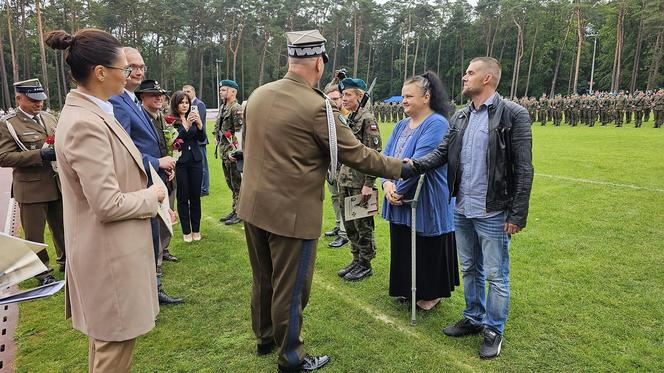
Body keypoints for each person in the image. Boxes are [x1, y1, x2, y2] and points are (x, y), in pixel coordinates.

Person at [237, 29, 412, 372]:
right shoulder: (317, 106)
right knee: (291, 288)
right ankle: (290, 358)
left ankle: (265, 337)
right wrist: (404, 168)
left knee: (263, 278)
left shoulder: (258, 94)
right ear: (319, 63)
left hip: (253, 205)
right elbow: (359, 155)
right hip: (291, 213)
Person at [45, 28, 164, 372]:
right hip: (108, 259)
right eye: (124, 69)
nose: (129, 76)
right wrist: (152, 196)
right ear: (100, 72)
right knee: (113, 351)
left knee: (107, 347)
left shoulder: (92, 112)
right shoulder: (86, 122)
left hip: (107, 253)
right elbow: (107, 204)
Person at [408, 57, 533, 359]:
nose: (464, 77)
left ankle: (493, 330)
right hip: (461, 207)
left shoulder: (514, 114)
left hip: (494, 211)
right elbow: (440, 154)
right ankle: (474, 317)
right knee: (469, 267)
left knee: (495, 274)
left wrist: (517, 214)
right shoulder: (460, 117)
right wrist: (406, 167)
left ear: (488, 78)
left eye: (470, 72)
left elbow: (524, 168)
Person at [109, 47, 182, 305]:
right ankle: (148, 294)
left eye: (141, 66)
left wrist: (162, 166)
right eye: (132, 66)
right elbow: (122, 151)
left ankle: (153, 290)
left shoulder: (130, 101)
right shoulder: (117, 102)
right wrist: (156, 161)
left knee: (153, 240)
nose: (138, 71)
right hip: (139, 184)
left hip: (151, 179)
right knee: (144, 243)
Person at [382, 72, 459, 311]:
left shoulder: (436, 123)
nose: (403, 100)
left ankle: (430, 294)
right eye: (403, 95)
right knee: (404, 243)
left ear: (426, 97)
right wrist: (386, 184)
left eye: (408, 96)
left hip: (427, 197)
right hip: (398, 193)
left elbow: (420, 162)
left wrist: (398, 189)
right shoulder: (401, 124)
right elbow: (386, 158)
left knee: (427, 245)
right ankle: (407, 289)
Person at [0, 78, 66, 284]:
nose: (39, 104)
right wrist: (40, 155)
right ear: (19, 98)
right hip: (31, 187)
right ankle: (41, 272)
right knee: (34, 234)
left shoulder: (49, 118)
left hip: (56, 183)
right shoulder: (8, 124)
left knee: (63, 226)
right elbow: (3, 157)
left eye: (41, 100)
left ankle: (67, 262)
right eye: (33, 100)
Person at [336, 77, 382, 282]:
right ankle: (356, 259)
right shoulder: (351, 117)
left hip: (360, 183)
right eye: (343, 95)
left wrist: (368, 184)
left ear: (360, 96)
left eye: (348, 95)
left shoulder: (367, 119)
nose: (343, 98)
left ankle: (365, 263)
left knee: (363, 224)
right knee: (350, 225)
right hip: (345, 180)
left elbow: (374, 153)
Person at [137, 80, 180, 264]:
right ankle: (156, 258)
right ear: (142, 97)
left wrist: (171, 165)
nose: (159, 98)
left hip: (166, 173)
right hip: (151, 174)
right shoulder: (141, 117)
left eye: (160, 95)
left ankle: (164, 248)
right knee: (155, 218)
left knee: (167, 213)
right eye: (153, 95)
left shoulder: (160, 116)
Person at [170, 91, 206, 242]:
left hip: (196, 160)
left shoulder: (193, 117)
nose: (185, 105)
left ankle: (196, 229)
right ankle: (186, 231)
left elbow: (202, 138)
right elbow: (175, 142)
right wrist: (186, 126)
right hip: (181, 163)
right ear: (176, 104)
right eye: (182, 102)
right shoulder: (172, 121)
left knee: (195, 196)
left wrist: (199, 125)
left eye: (187, 102)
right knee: (183, 197)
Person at [213, 80, 243, 225]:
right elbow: (218, 127)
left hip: (232, 154)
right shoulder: (224, 107)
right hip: (224, 152)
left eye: (224, 90)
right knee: (231, 183)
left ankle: (240, 212)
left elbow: (239, 134)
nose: (221, 92)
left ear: (233, 92)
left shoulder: (235, 108)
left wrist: (236, 153)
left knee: (238, 184)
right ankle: (235, 209)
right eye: (220, 90)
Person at [322, 82, 348, 248]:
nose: (333, 102)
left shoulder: (347, 116)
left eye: (336, 98)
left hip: (345, 166)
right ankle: (339, 226)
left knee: (345, 198)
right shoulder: (326, 114)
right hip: (331, 164)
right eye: (329, 99)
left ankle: (345, 233)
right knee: (334, 196)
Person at [183, 85, 209, 196]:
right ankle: (199, 187)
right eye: (184, 92)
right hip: (192, 141)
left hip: (199, 140)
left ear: (194, 92)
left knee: (203, 167)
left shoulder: (199, 104)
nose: (186, 93)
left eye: (188, 91)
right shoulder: (189, 105)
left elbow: (200, 122)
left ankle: (204, 189)